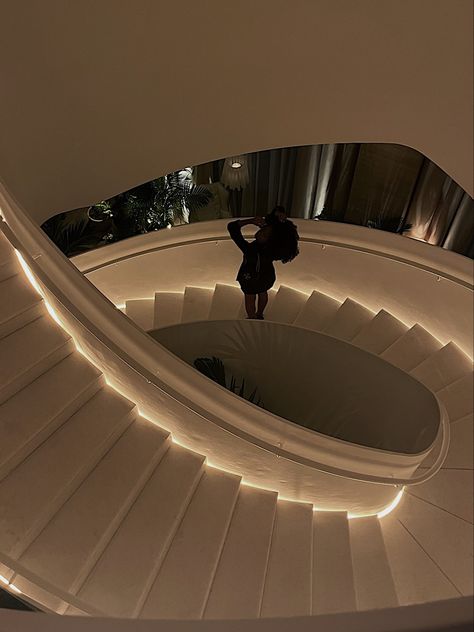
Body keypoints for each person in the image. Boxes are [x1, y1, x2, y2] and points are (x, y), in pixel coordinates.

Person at [227, 206, 300, 319]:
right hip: (267, 276)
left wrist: (250, 221)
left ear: (271, 241)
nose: (260, 232)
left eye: (265, 234)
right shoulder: (271, 251)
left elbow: (232, 227)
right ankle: (260, 314)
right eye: (264, 229)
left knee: (250, 298)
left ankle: (252, 318)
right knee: (263, 292)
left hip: (249, 278)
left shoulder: (250, 250)